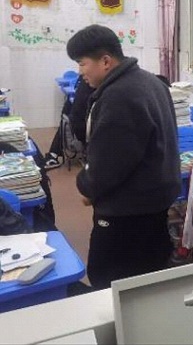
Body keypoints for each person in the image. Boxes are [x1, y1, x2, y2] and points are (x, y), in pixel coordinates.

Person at [67, 24, 181, 290]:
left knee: (108, 282)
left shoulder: (119, 96)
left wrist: (86, 185)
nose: (80, 72)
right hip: (155, 206)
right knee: (149, 281)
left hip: (126, 215)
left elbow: (108, 166)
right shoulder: (152, 82)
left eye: (82, 63)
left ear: (106, 61)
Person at [43, 75, 94, 170]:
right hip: (80, 127)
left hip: (72, 121)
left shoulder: (84, 80)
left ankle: (53, 154)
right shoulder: (91, 84)